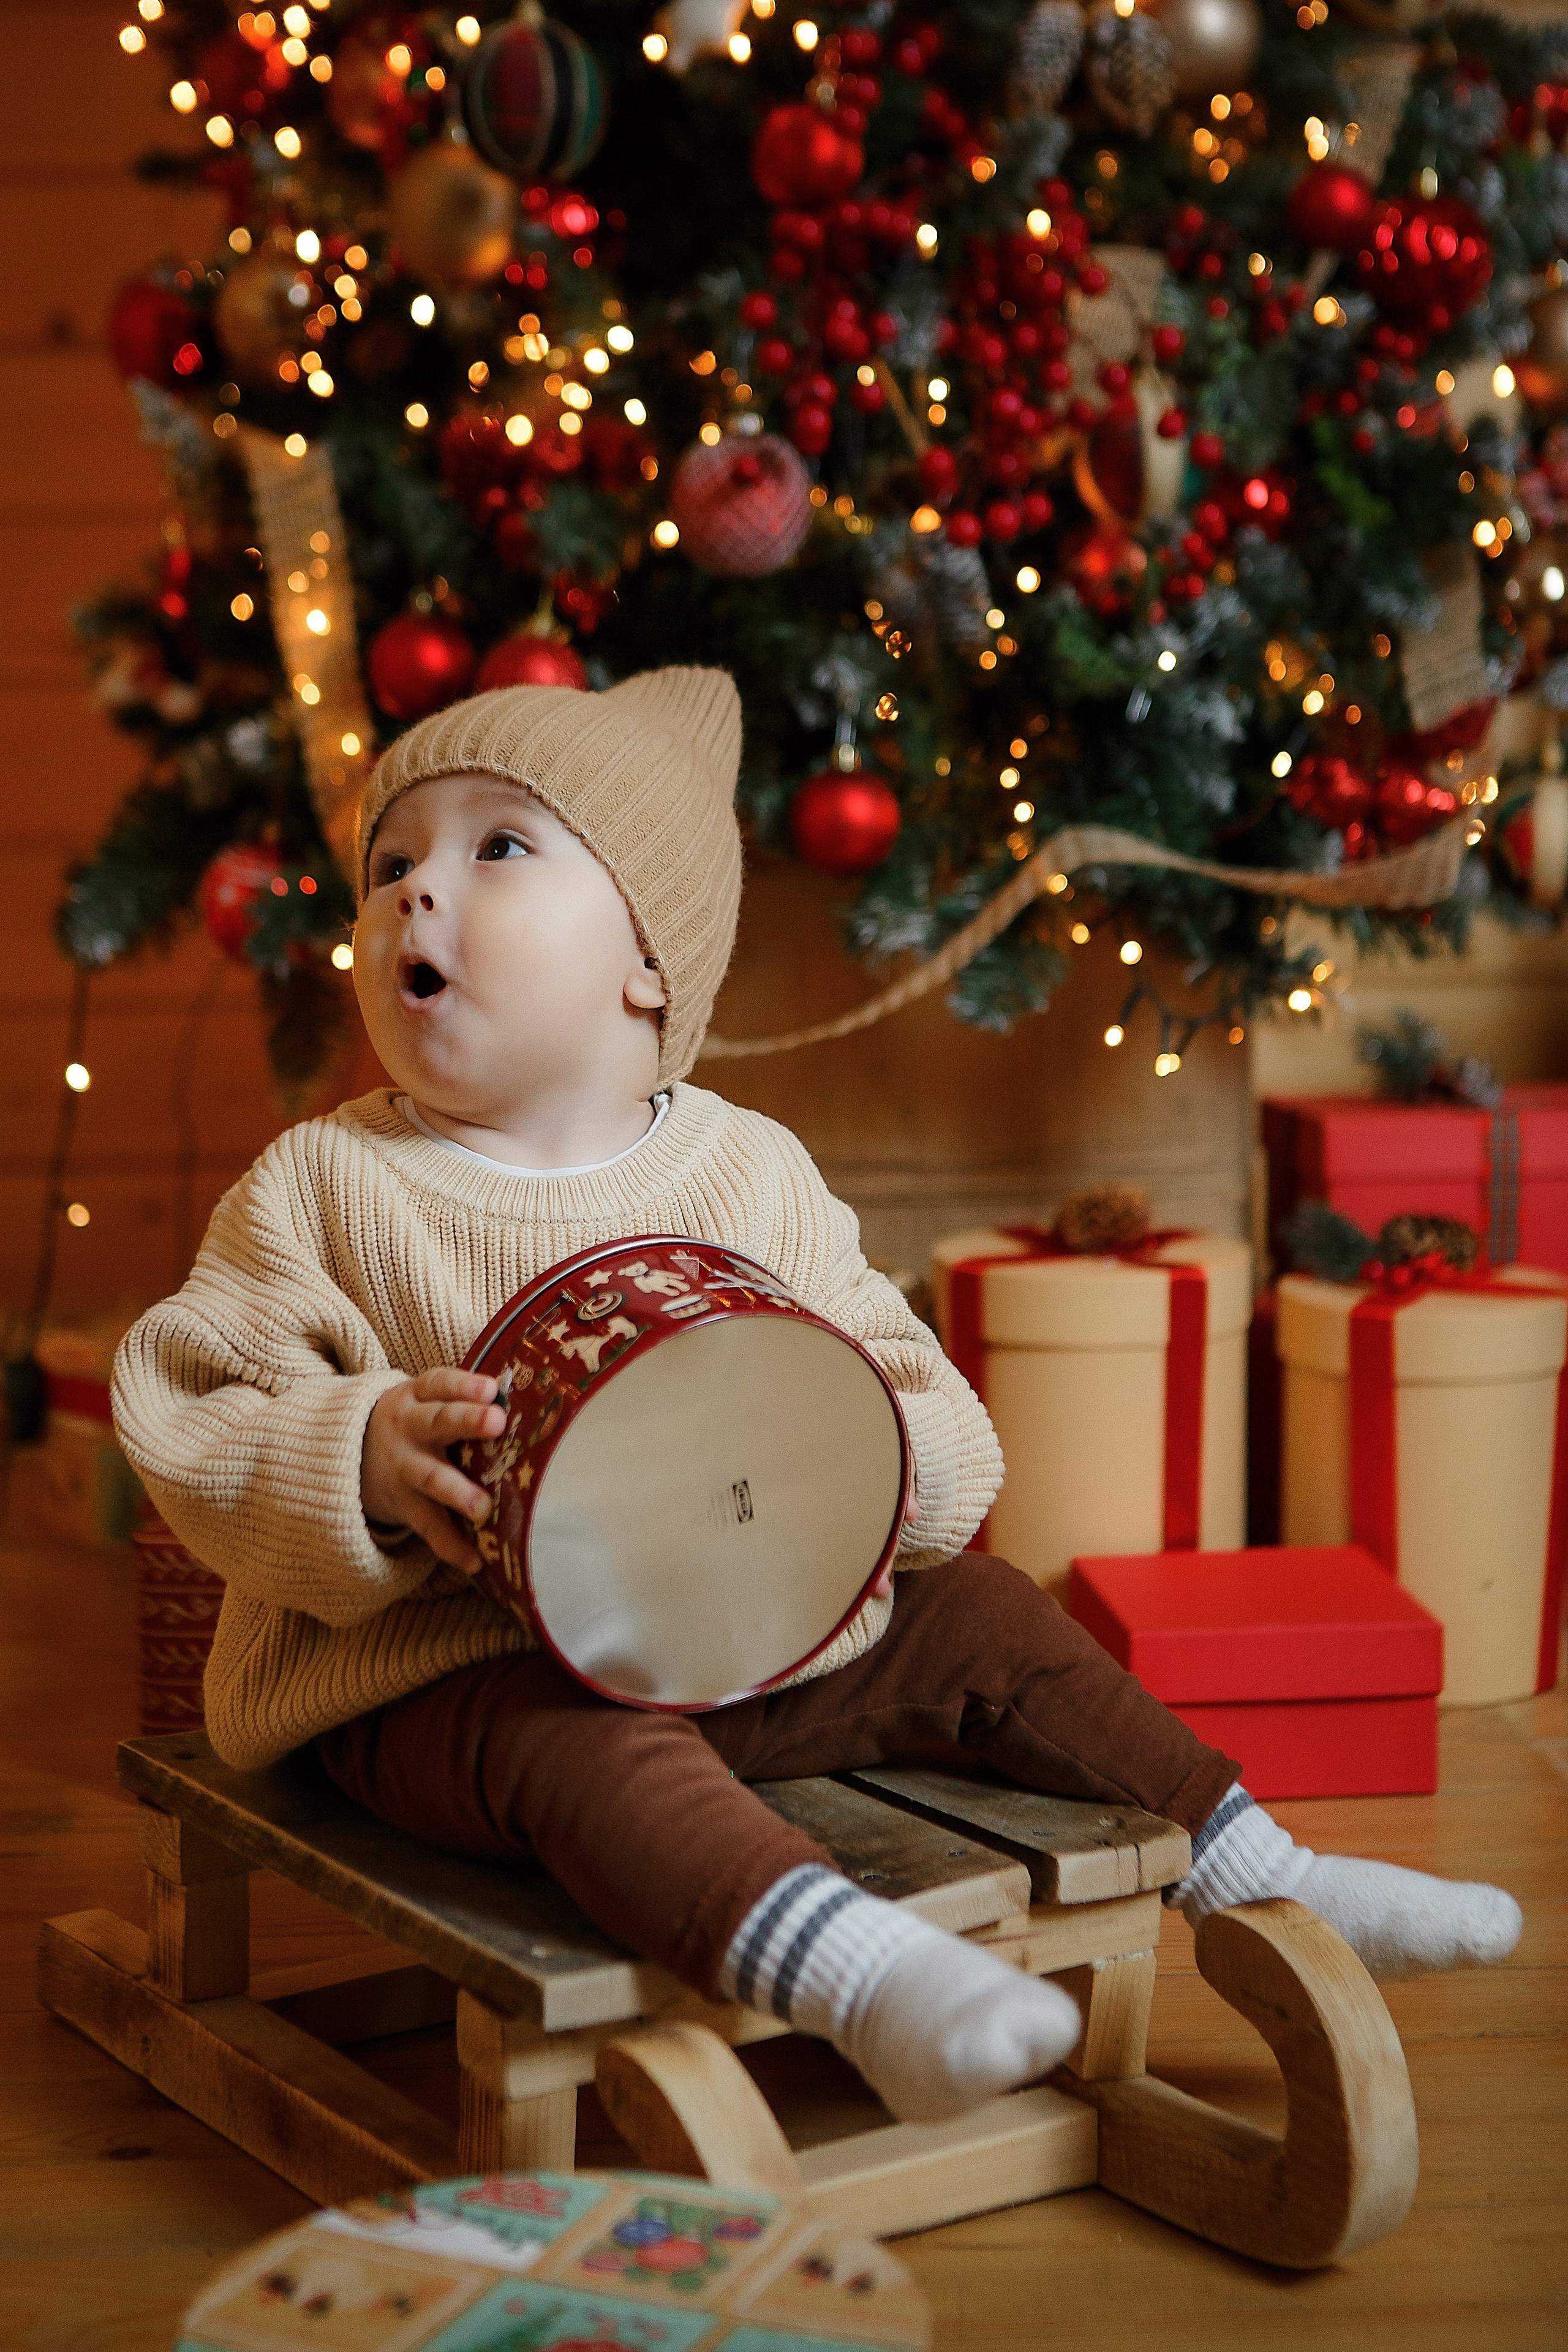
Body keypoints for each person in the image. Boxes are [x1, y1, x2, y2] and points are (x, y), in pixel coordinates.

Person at [113, 669, 1521, 2125]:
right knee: (576, 1743)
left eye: (496, 848)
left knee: (990, 1615)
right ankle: (860, 1979)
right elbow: (190, 1405)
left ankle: (1262, 1878)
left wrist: (849, 1446)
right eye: (389, 866)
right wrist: (359, 1460)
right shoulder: (325, 1185)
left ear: (646, 963)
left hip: (748, 1644)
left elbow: (931, 1423)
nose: (416, 893)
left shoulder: (746, 1173)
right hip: (446, 1681)